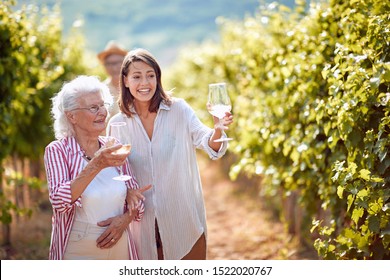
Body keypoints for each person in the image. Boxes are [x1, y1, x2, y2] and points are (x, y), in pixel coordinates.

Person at [108, 48, 234, 260]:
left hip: (182, 220)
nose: (145, 83)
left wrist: (218, 128)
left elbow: (208, 143)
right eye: (137, 77)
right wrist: (127, 193)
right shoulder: (117, 124)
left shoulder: (179, 110)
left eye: (151, 75)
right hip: (141, 224)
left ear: (158, 78)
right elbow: (112, 173)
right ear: (126, 81)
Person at [44, 75, 151, 260]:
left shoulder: (114, 146)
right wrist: (96, 164)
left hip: (120, 242)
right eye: (94, 107)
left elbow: (138, 199)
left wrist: (125, 218)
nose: (102, 112)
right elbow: (59, 201)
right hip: (79, 245)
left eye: (103, 105)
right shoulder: (58, 150)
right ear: (72, 116)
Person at [97, 40, 128, 117]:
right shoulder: (100, 90)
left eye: (118, 62)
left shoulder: (135, 86)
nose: (114, 68)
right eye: (109, 64)